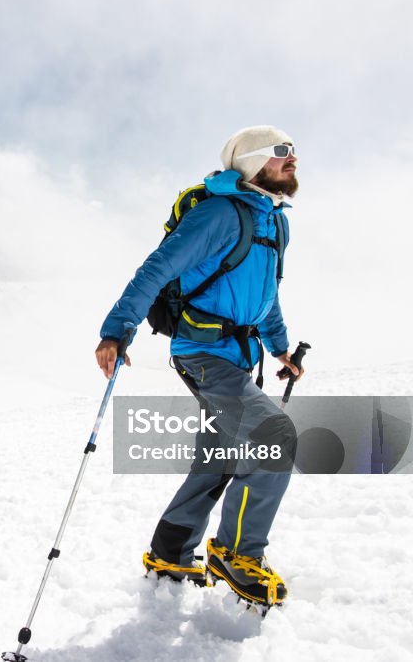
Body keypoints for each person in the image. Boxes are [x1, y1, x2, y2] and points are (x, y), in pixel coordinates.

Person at [95, 125, 303, 610]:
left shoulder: (273, 222)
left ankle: (171, 554)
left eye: (294, 150)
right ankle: (236, 554)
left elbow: (266, 297)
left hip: (239, 356)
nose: (292, 158)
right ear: (251, 161)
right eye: (281, 151)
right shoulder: (218, 214)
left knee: (219, 459)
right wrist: (117, 328)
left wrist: (281, 349)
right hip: (203, 354)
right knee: (275, 434)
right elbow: (157, 268)